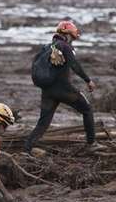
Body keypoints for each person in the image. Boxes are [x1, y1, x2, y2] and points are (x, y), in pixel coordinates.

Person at [24, 20, 106, 154]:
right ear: (68, 33)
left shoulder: (49, 47)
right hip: (64, 90)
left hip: (48, 91)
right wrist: (88, 80)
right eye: (74, 32)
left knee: (43, 122)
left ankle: (27, 149)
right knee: (87, 110)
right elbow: (74, 65)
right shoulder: (65, 46)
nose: (76, 34)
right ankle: (91, 144)